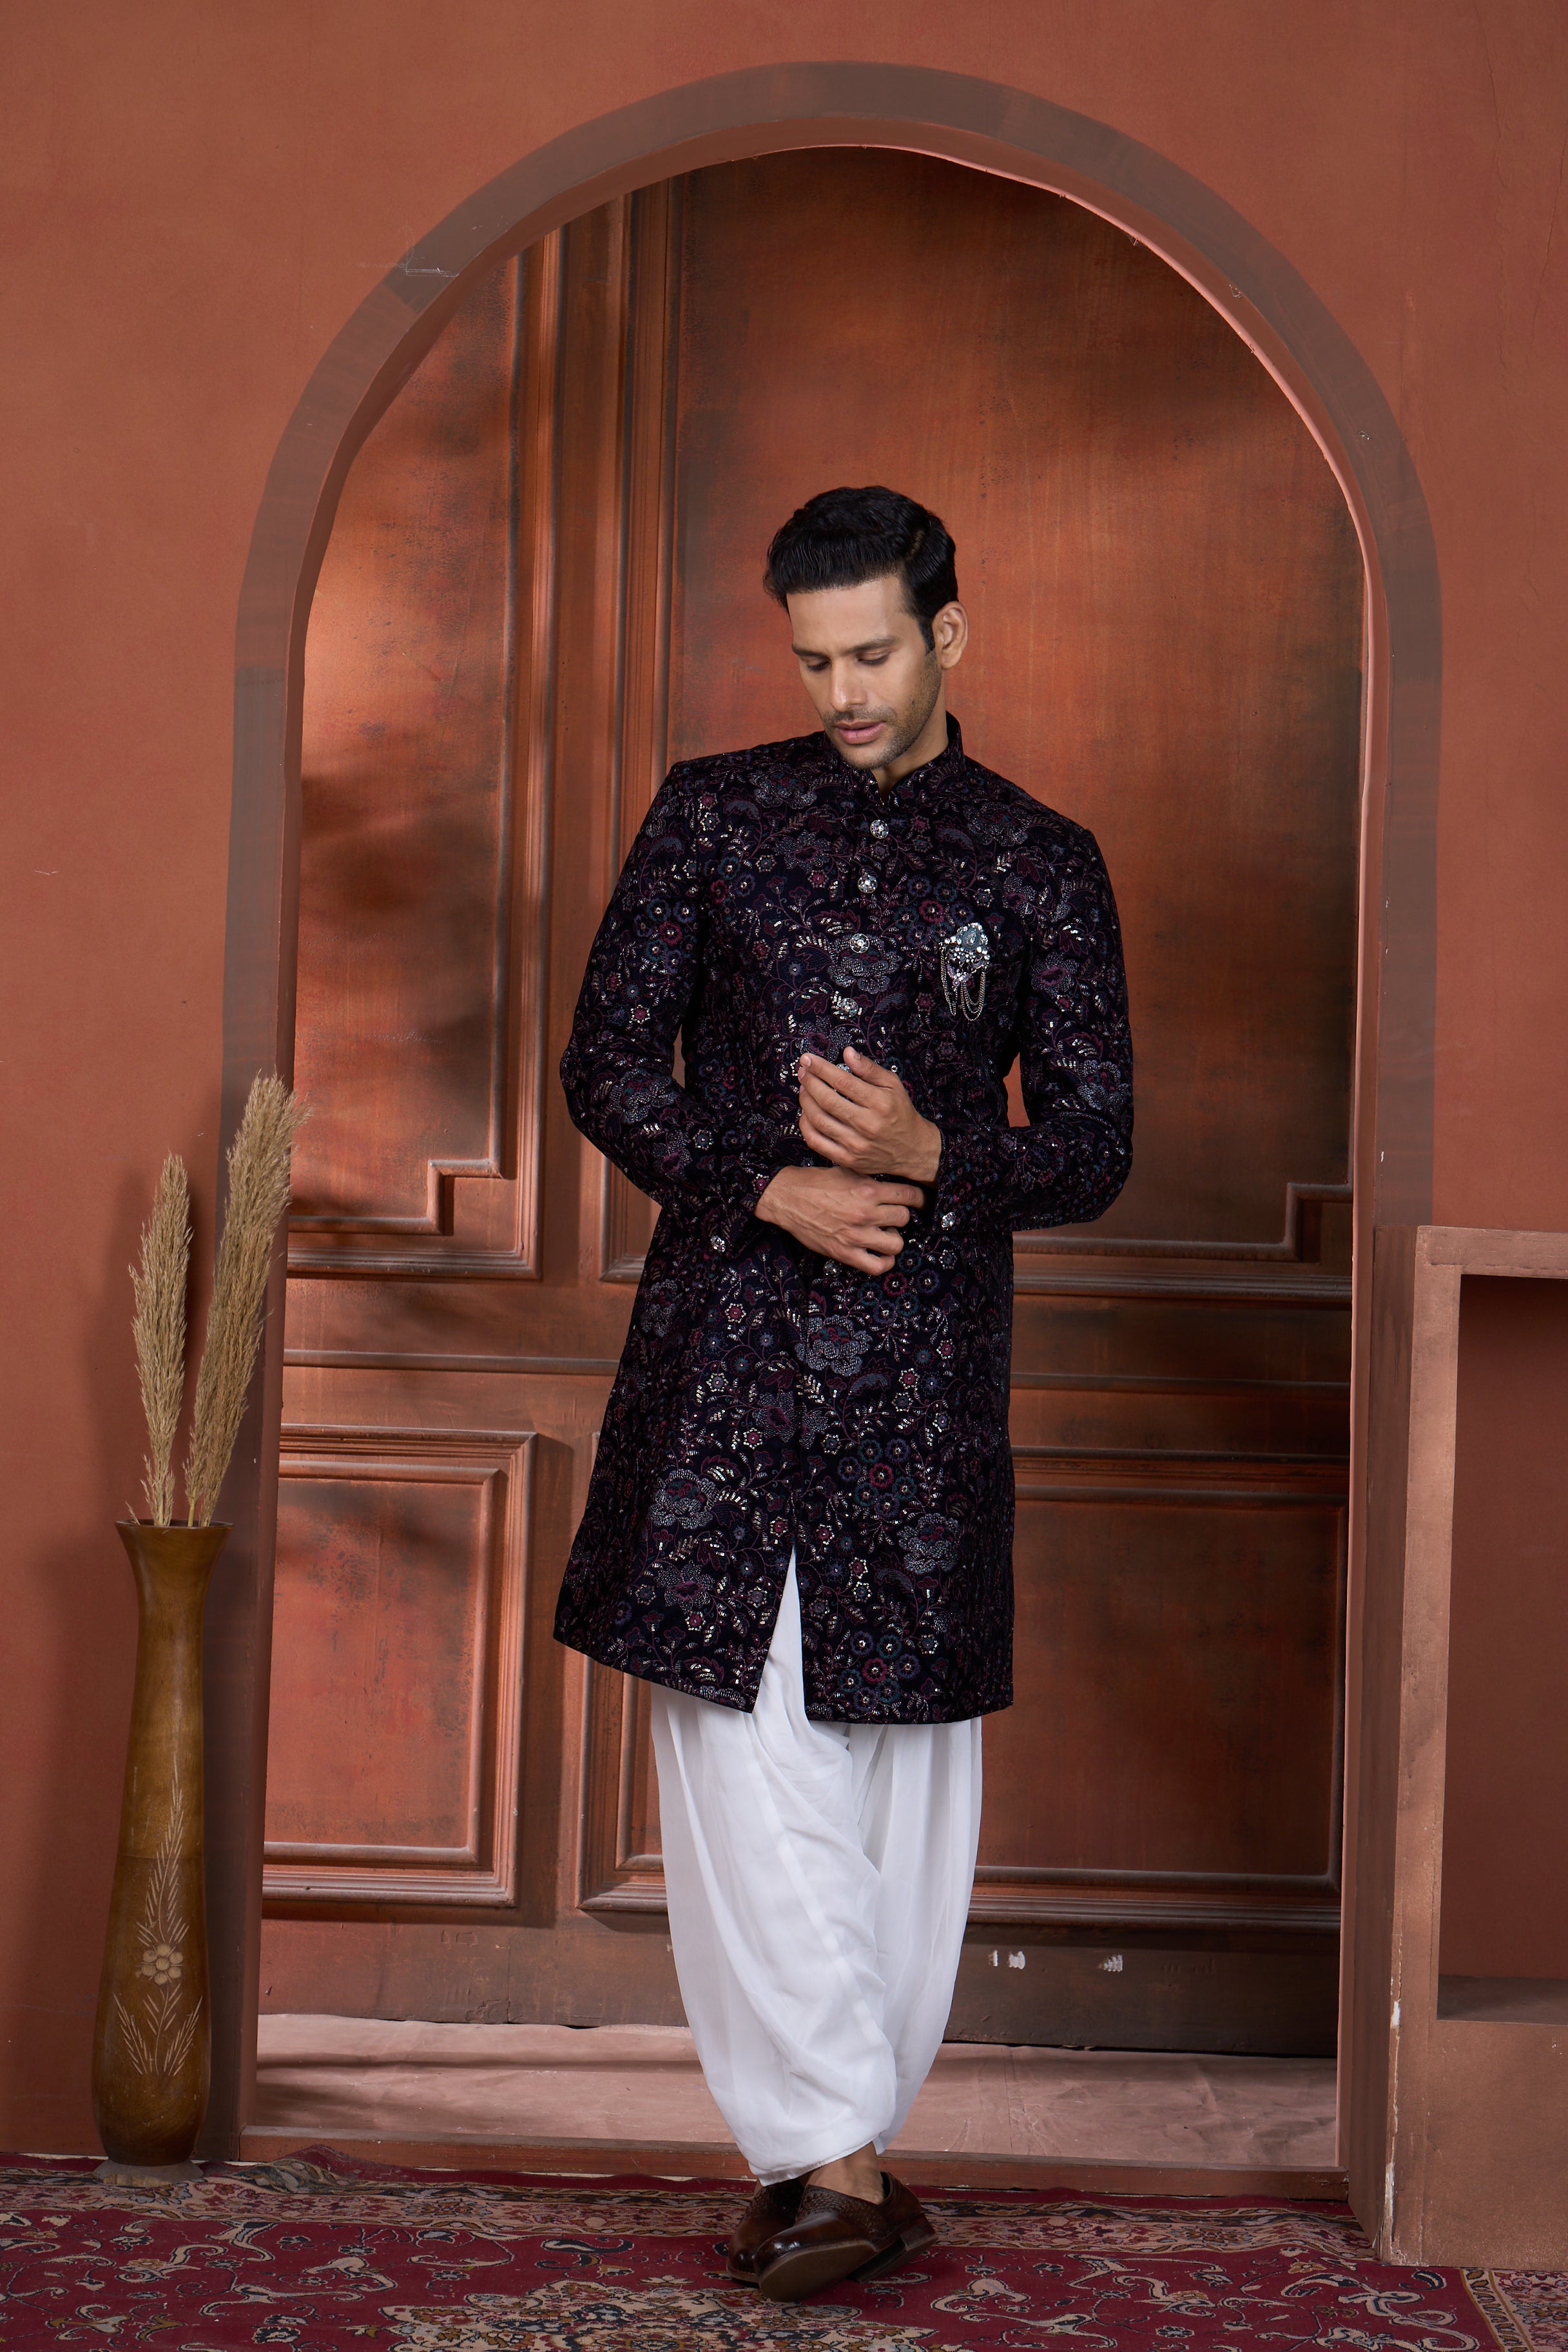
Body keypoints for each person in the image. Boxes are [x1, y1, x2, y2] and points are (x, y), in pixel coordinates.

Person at [555, 484, 1133, 2304]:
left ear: (946, 632)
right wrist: (772, 1182)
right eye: (814, 661)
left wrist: (932, 1151)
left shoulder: (1039, 860)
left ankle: (829, 2150)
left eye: (872, 653)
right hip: (723, 1365)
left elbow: (1097, 1144)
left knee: (896, 1777)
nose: (844, 692)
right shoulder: (713, 815)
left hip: (922, 1385)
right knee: (742, 1762)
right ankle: (843, 2152)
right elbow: (602, 1062)